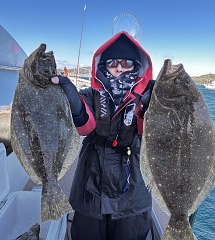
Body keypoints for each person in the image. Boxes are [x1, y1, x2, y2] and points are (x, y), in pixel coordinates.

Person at [51, 31, 154, 240]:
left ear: (137, 66)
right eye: (112, 63)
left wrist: (151, 109)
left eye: (126, 63)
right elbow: (86, 127)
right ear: (102, 66)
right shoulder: (90, 94)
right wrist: (76, 105)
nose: (118, 68)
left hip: (133, 191)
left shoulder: (148, 96)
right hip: (90, 186)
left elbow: (150, 134)